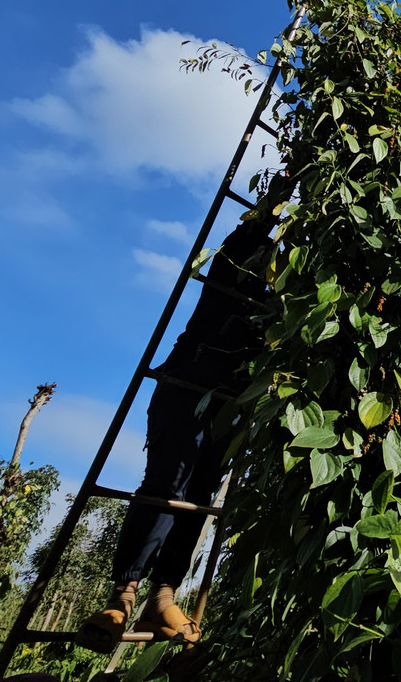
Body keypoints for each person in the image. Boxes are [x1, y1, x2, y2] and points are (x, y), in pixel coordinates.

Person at [75, 216, 274, 653]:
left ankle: (163, 596)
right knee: (166, 485)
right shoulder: (231, 277)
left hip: (229, 404)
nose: (267, 268)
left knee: (200, 496)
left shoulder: (278, 302)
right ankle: (124, 593)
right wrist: (274, 205)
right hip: (186, 386)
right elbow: (241, 245)